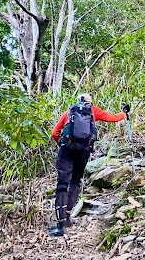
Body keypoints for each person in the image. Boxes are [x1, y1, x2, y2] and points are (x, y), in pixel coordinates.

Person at [49, 93, 129, 236]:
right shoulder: (94, 111)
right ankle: (67, 215)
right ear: (90, 102)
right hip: (83, 152)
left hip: (66, 151)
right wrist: (124, 112)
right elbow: (113, 118)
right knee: (75, 181)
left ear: (78, 101)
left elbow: (55, 132)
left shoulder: (69, 112)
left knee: (62, 184)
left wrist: (63, 144)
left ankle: (60, 225)